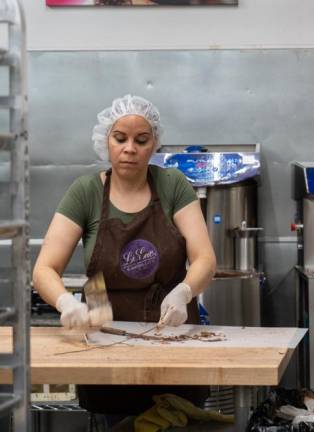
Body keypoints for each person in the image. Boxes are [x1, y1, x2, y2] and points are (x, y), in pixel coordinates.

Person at [32, 94, 216, 415]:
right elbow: (44, 269)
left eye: (141, 140)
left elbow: (205, 259)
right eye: (120, 138)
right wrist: (66, 302)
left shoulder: (173, 185)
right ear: (106, 141)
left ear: (154, 143)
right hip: (103, 343)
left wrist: (184, 292)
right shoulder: (86, 192)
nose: (130, 148)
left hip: (171, 339)